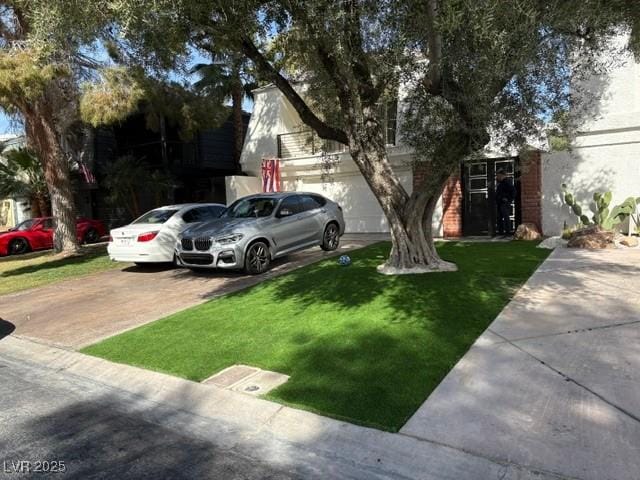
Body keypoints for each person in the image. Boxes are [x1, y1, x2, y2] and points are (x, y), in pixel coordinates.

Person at [495, 168, 516, 236]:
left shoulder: (507, 182)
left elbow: (513, 192)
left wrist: (507, 199)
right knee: (499, 217)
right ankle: (501, 232)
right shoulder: (501, 183)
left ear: (502, 175)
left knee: (506, 217)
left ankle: (508, 232)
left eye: (498, 175)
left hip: (504, 203)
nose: (497, 177)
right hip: (500, 202)